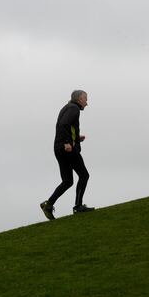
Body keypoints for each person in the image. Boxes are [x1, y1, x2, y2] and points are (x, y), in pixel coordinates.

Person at [40, 90, 95, 219]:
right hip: (66, 149)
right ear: (79, 99)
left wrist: (76, 138)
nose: (87, 103)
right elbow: (63, 124)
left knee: (67, 181)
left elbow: (65, 126)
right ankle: (78, 206)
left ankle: (48, 204)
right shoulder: (73, 109)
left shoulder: (68, 107)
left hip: (58, 148)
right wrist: (67, 143)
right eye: (85, 99)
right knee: (84, 175)